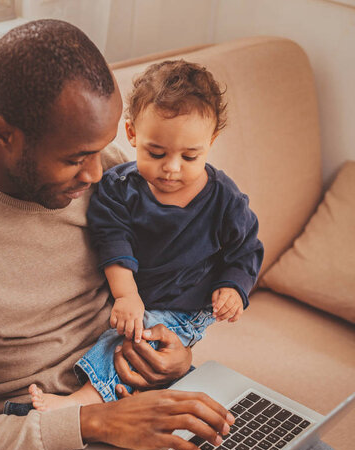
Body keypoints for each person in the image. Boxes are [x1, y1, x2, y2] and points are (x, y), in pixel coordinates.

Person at [0, 19, 354, 450]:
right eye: (75, 161)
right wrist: (94, 422)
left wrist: (177, 353)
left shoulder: (110, 161)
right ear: (5, 134)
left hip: (138, 373)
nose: (98, 174)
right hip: (41, 428)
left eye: (103, 152)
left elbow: (181, 270)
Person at [29, 59, 264, 412]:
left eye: (190, 155)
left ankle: (80, 404)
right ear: (132, 133)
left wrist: (234, 287)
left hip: (187, 307)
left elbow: (246, 248)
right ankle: (116, 398)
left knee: (135, 342)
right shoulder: (117, 187)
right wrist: (126, 296)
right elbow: (112, 240)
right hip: (137, 298)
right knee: (128, 335)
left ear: (211, 142)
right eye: (156, 153)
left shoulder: (225, 199)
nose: (171, 167)